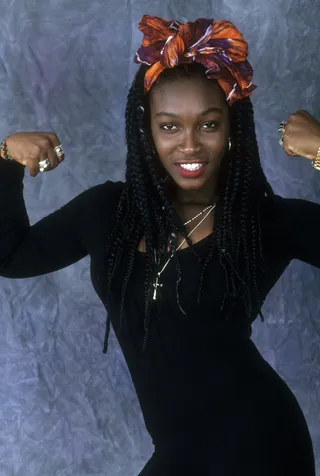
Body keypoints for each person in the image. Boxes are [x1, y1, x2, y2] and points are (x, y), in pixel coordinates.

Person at [0, 14, 319, 476]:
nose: (189, 145)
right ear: (146, 129)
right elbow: (10, 256)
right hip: (180, 454)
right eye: (170, 126)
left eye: (208, 125)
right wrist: (6, 159)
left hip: (261, 447)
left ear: (231, 129)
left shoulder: (263, 220)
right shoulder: (108, 211)